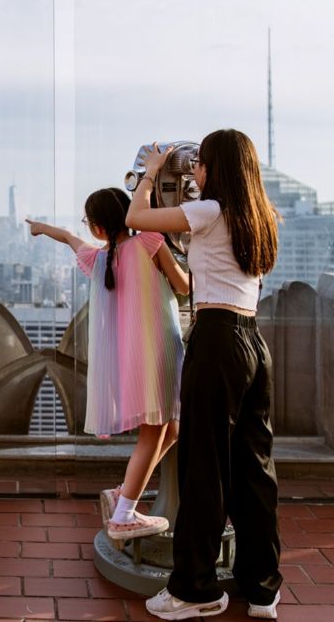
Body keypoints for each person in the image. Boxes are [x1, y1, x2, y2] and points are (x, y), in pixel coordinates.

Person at [127, 130, 282, 620]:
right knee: (254, 469)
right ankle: (262, 588)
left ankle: (195, 591)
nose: (194, 171)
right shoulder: (260, 216)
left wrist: (151, 173)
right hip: (253, 342)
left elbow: (135, 219)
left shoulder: (209, 211)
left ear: (216, 168)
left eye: (200, 163)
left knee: (204, 469)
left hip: (216, 340)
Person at [27, 187, 188, 541]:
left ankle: (124, 493)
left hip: (133, 361)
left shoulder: (99, 260)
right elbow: (184, 286)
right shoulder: (150, 242)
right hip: (159, 353)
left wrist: (40, 228)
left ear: (98, 228)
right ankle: (124, 515)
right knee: (154, 431)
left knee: (173, 430)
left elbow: (69, 238)